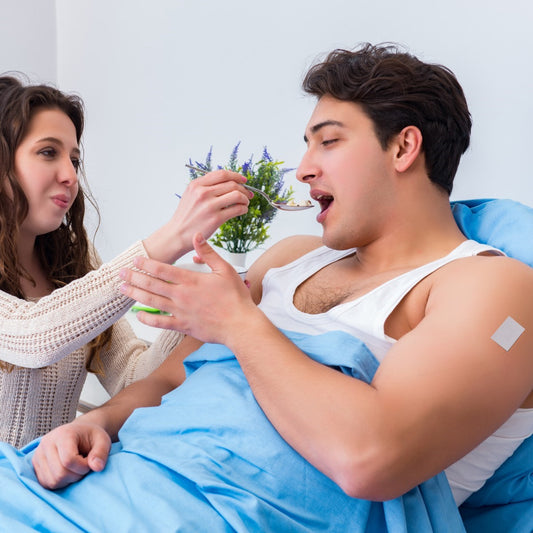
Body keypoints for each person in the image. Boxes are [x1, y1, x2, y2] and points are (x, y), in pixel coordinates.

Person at [0, 44, 532, 532]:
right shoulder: (291, 259)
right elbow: (165, 380)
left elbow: (372, 458)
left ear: (404, 148)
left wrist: (237, 322)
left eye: (328, 141)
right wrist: (98, 423)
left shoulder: (493, 288)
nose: (302, 170)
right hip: (104, 485)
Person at [0, 74, 252, 449]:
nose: (70, 176)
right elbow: (34, 337)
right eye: (48, 152)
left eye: (74, 158)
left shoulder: (71, 256)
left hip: (46, 486)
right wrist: (172, 238)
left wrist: (192, 315)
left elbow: (132, 377)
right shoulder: (37, 320)